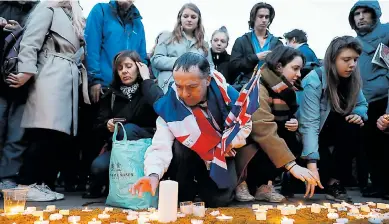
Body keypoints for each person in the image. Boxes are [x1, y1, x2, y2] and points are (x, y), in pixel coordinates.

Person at [131, 52, 256, 208]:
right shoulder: (171, 105)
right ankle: (186, 186)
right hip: (187, 154)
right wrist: (153, 175)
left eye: (192, 87)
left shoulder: (229, 95)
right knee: (182, 190)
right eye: (179, 86)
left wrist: (229, 143)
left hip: (218, 155)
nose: (184, 94)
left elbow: (245, 125)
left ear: (208, 80)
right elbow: (160, 145)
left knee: (219, 200)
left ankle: (222, 183)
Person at [13, 0, 88, 201]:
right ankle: (27, 183)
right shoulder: (48, 9)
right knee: (42, 130)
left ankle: (43, 183)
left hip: (66, 75)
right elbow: (31, 40)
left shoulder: (73, 14)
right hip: (49, 73)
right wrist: (26, 70)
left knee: (56, 135)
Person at [236, 46, 323, 202]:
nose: (299, 74)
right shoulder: (258, 86)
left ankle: (264, 185)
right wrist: (292, 166)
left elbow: (286, 116)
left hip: (266, 142)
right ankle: (241, 181)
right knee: (266, 139)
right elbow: (262, 128)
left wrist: (293, 122)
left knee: (292, 139)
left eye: (300, 69)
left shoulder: (286, 89)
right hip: (246, 145)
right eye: (295, 68)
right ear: (278, 66)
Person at [82, 51, 163, 198]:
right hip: (120, 148)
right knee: (98, 167)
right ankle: (109, 187)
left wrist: (146, 80)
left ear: (139, 68)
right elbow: (98, 125)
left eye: (129, 66)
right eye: (120, 68)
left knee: (130, 129)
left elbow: (161, 105)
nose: (124, 71)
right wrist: (107, 125)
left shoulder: (149, 88)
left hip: (148, 145)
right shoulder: (111, 94)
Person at [297, 36, 368, 201]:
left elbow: (362, 104)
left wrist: (358, 114)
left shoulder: (353, 79)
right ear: (332, 59)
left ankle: (334, 182)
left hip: (336, 130)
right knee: (313, 177)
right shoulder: (314, 81)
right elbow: (309, 124)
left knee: (354, 127)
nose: (352, 65)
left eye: (355, 59)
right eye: (346, 59)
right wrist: (311, 164)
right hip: (312, 133)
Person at [348, 0, 389, 199]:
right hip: (363, 103)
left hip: (385, 100)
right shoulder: (353, 42)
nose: (361, 17)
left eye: (366, 12)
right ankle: (379, 184)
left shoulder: (387, 33)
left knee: (385, 145)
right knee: (368, 147)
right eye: (357, 14)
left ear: (375, 14)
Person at [0, 0, 37, 191]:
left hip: (23, 82)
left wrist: (21, 31)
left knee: (17, 135)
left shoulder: (38, 10)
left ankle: (7, 178)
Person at [85, 0, 147, 102]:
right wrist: (95, 80)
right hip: (104, 87)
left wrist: (143, 83)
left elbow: (142, 57)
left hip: (130, 91)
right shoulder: (100, 10)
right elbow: (91, 48)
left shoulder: (138, 24)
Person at [151, 3, 214, 93]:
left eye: (193, 17)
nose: (189, 19)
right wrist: (182, 63)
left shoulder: (204, 44)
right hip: (170, 87)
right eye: (185, 16)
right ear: (180, 18)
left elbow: (210, 67)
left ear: (198, 21)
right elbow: (156, 60)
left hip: (194, 89)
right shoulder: (166, 37)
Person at [229, 2, 282, 90]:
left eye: (267, 17)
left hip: (271, 86)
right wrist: (255, 57)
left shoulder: (277, 43)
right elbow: (233, 66)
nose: (264, 20)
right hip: (246, 85)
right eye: (260, 16)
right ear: (253, 18)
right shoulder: (241, 41)